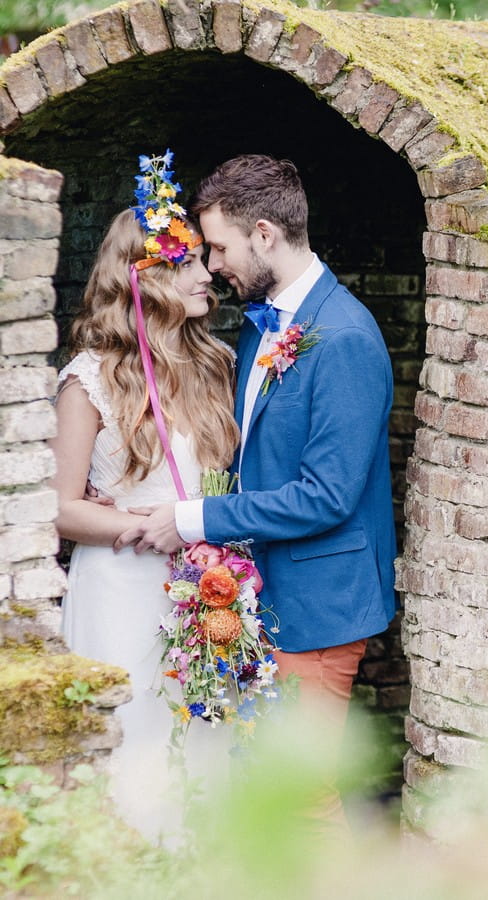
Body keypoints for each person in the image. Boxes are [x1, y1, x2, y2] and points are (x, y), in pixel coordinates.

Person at [115, 154, 397, 829]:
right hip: (264, 595)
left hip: (319, 608)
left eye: (218, 246)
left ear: (264, 234)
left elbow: (326, 497)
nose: (210, 265)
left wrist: (192, 518)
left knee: (302, 802)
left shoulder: (346, 339)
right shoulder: (261, 320)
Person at [51, 150, 239, 842]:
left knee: (201, 752)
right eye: (185, 262)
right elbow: (60, 509)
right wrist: (132, 526)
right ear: (144, 278)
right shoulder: (90, 379)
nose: (206, 274)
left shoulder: (213, 365)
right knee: (132, 753)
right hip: (121, 588)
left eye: (202, 259)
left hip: (202, 589)